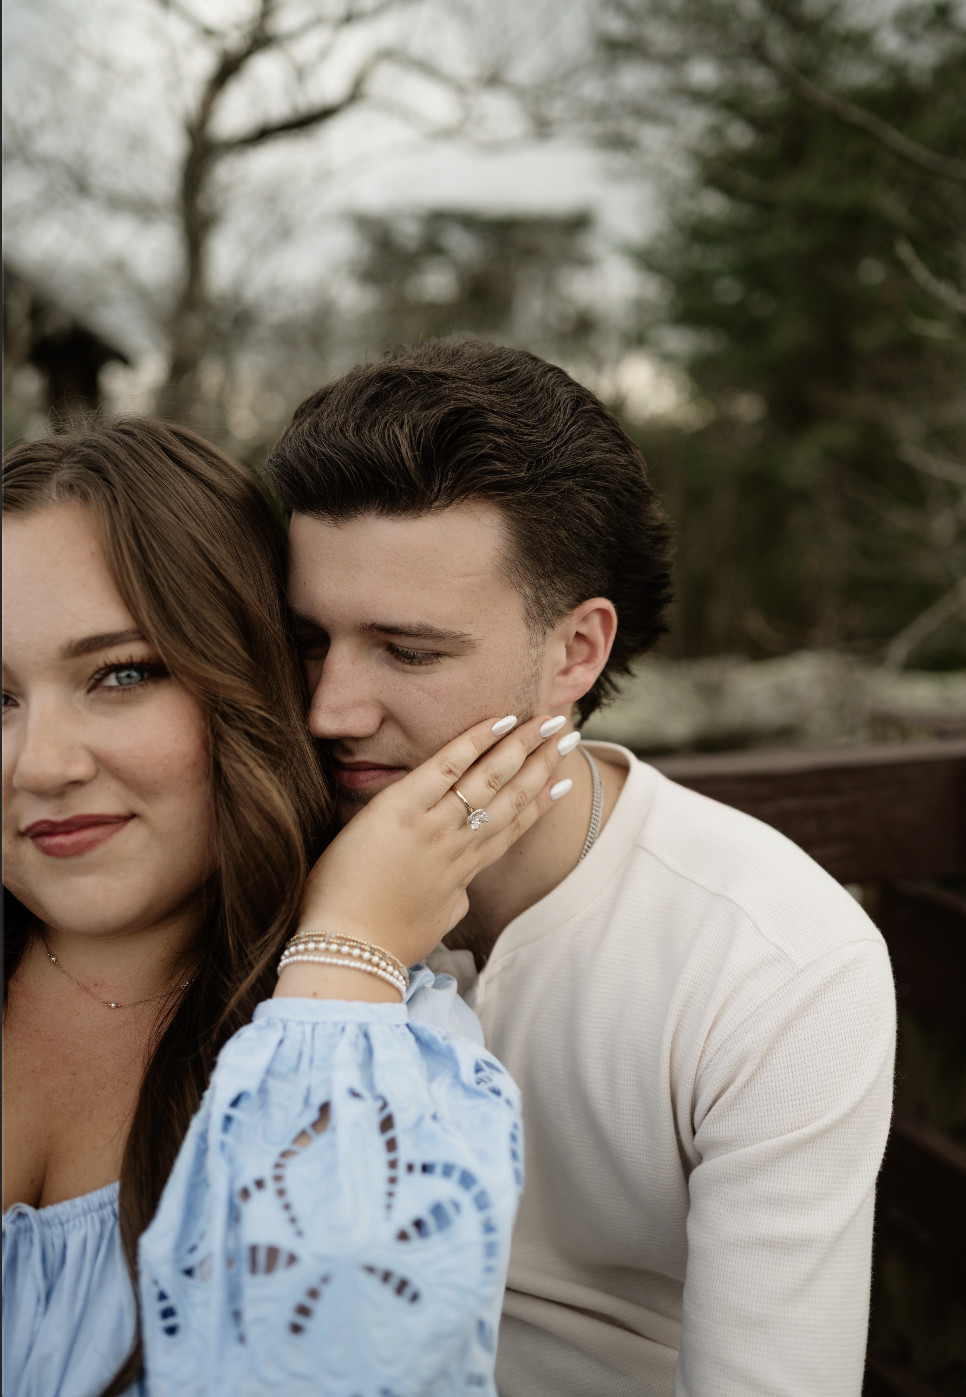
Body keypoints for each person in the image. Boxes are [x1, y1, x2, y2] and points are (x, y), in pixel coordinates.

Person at [264, 338, 898, 1397]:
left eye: (408, 651)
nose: (330, 710)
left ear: (576, 653)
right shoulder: (246, 853)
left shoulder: (776, 959)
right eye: (307, 641)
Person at [1, 417, 574, 1397]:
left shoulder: (389, 1054)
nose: (40, 765)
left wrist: (344, 956)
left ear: (246, 684)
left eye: (122, 674)